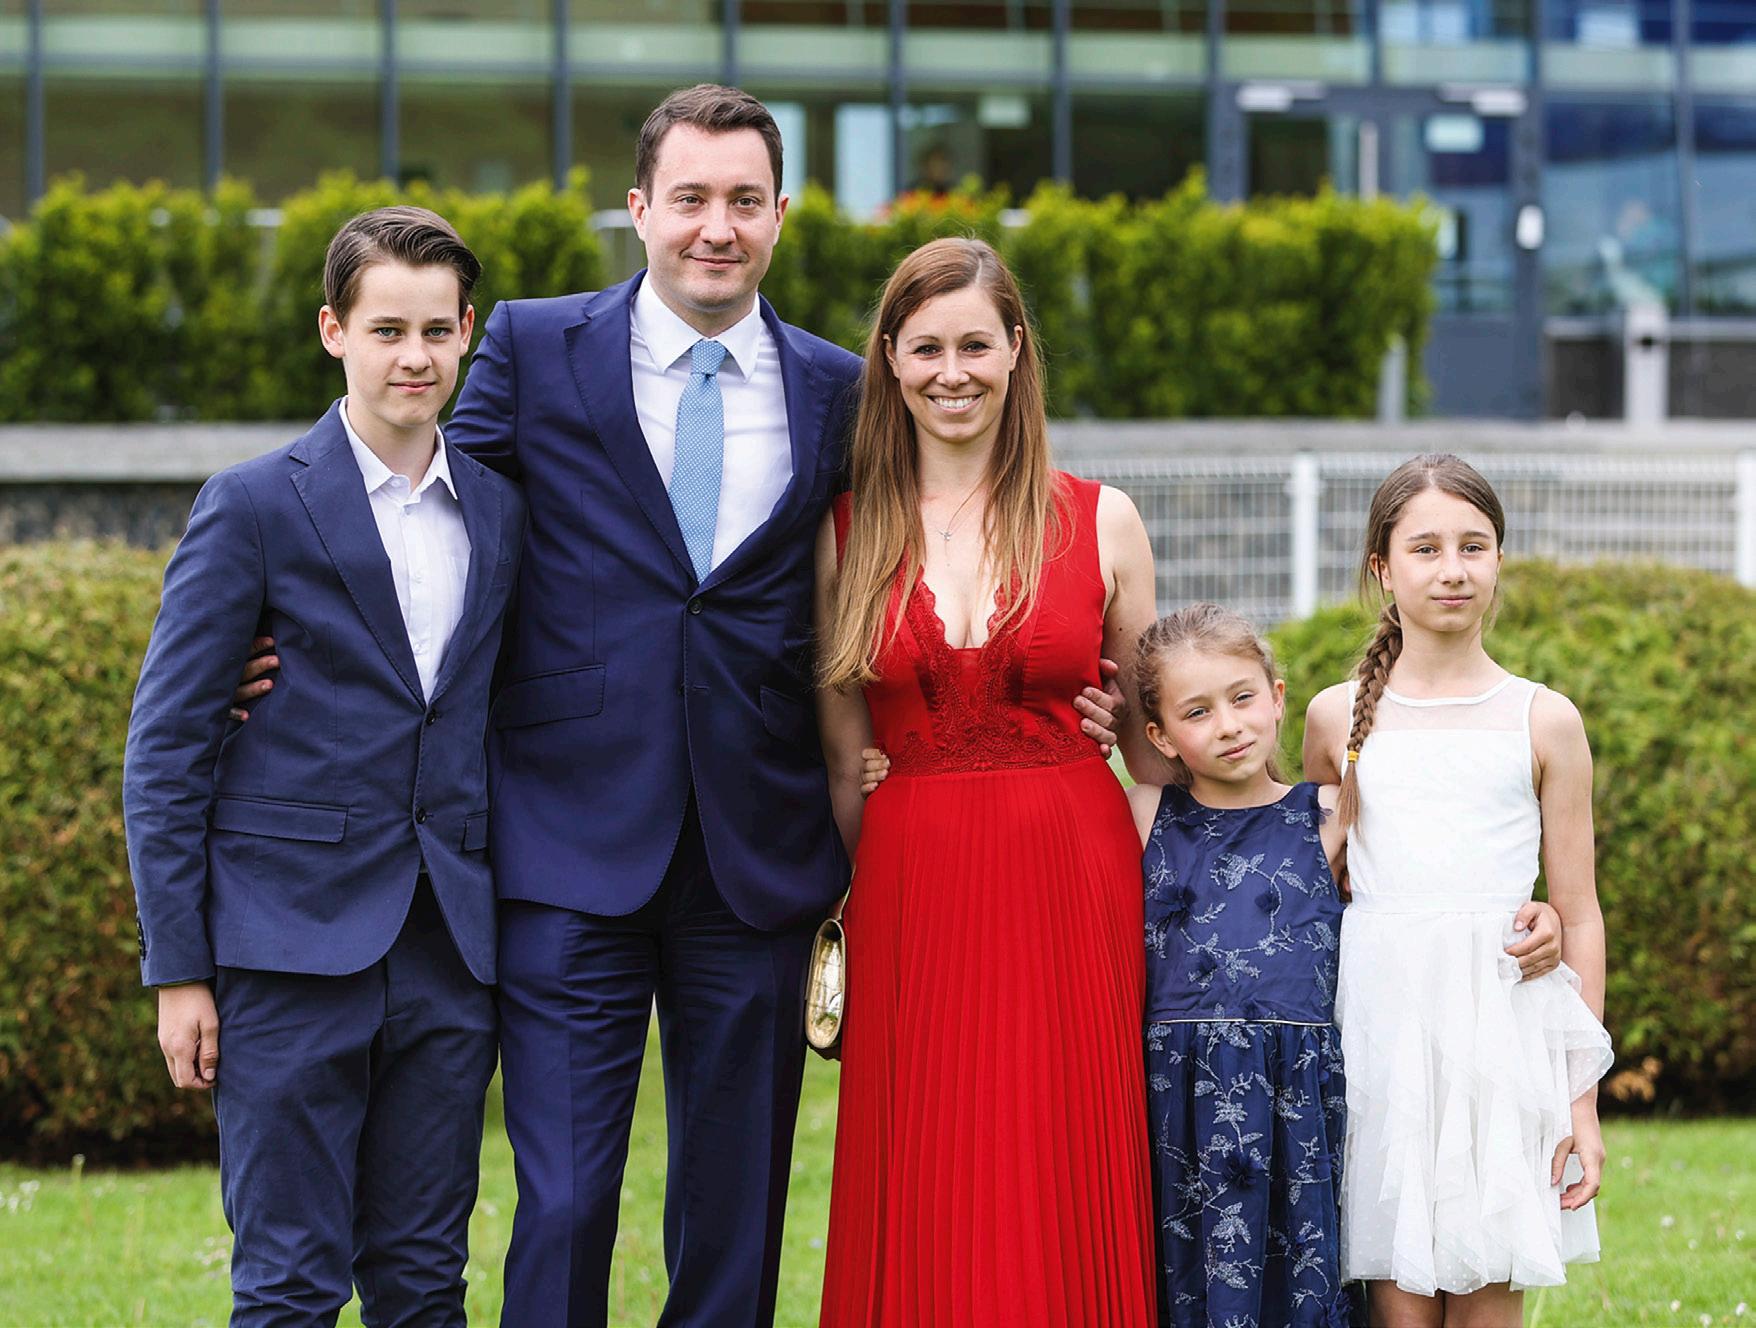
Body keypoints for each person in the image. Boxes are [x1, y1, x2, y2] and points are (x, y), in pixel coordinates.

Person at [232, 86, 1123, 1326]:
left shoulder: (836, 389)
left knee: (733, 1208)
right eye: (691, 197)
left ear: (780, 215)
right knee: (564, 1200)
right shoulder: (535, 347)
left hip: (755, 850)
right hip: (566, 841)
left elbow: (921, 554)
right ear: (640, 208)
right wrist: (288, 625)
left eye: (744, 200)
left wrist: (1063, 693)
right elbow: (420, 493)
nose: (718, 225)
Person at [123, 206, 524, 1325]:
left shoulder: (501, 509)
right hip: (285, 947)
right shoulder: (253, 504)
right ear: (333, 330)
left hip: (448, 949)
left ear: (467, 332)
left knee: (423, 1281)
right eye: (386, 328)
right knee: (289, 1284)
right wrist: (179, 969)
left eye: (436, 330)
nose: (414, 356)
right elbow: (165, 749)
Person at [813, 236, 1161, 1326]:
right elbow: (842, 759)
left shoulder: (1103, 518)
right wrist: (861, 890)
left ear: (1016, 349)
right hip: (910, 888)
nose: (951, 372)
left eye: (975, 344)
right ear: (889, 358)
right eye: (926, 348)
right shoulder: (844, 531)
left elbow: (1156, 751)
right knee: (927, 1161)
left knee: (1061, 1151)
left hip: (1073, 881)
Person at [1122, 603, 1566, 1328]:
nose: (1228, 725)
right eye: (1197, 712)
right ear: (1159, 735)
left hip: (1298, 1105)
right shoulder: (1143, 816)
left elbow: (1439, 874)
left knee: (1301, 1287)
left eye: (1242, 698)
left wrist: (1539, 911)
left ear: (1278, 698)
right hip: (1183, 1104)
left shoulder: (1330, 815)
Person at [1303, 453, 1613, 1326]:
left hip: (1499, 1033)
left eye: (1473, 546)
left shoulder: (1543, 719)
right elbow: (1322, 886)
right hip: (1380, 1033)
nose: (1452, 570)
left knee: (1488, 1293)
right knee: (1396, 1298)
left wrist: (1579, 1098)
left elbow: (1580, 911)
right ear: (1382, 568)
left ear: (1499, 560)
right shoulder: (1333, 719)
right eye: (1425, 548)